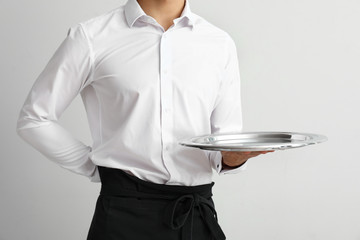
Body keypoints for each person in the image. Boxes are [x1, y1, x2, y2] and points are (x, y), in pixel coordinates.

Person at [16, 0, 272, 239]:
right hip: (122, 217)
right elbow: (34, 118)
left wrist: (231, 158)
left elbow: (222, 143)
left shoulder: (219, 43)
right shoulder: (91, 37)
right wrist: (94, 166)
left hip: (196, 216)